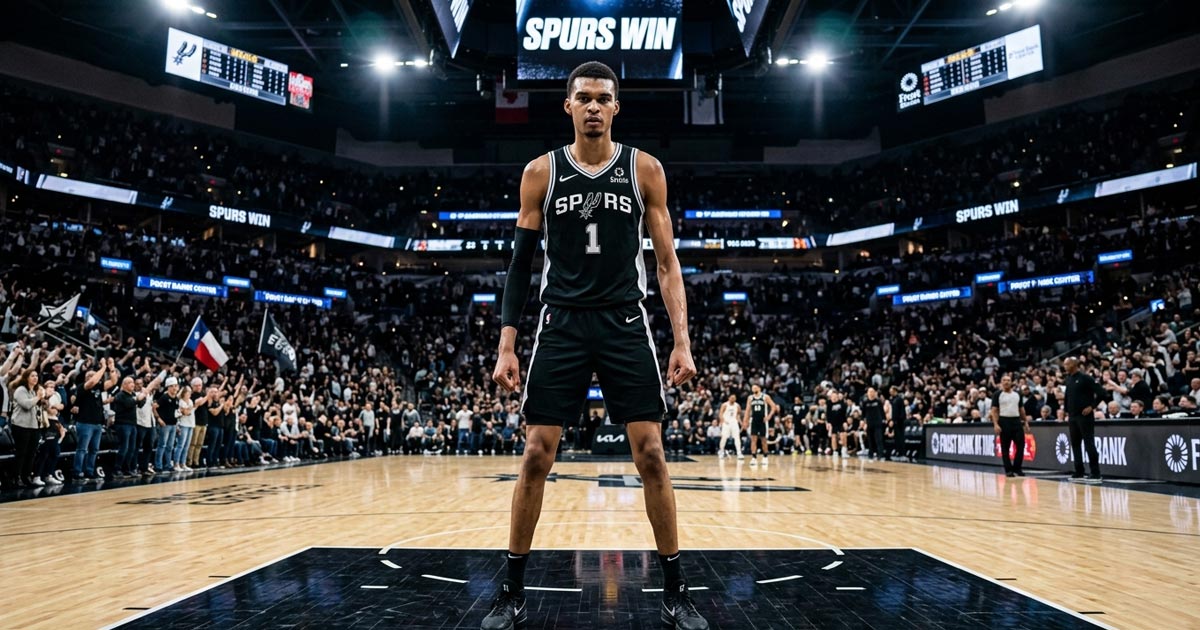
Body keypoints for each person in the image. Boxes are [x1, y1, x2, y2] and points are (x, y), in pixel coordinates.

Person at [484, 61, 707, 630]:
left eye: (602, 98)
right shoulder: (541, 172)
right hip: (561, 322)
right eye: (582, 97)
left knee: (652, 456)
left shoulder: (645, 170)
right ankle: (511, 590)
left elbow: (666, 263)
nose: (592, 106)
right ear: (567, 106)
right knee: (536, 454)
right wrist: (507, 344)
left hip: (624, 321)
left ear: (615, 107)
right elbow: (519, 265)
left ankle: (676, 591)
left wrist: (681, 340)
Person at [71, 358, 117, 481]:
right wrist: (102, 368)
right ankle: (77, 472)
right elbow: (92, 382)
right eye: (90, 375)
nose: (93, 376)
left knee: (94, 450)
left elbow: (113, 381)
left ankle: (89, 471)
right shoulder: (82, 387)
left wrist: (111, 367)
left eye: (93, 374)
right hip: (85, 423)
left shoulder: (99, 387)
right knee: (82, 449)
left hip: (97, 423)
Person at [1063, 357, 1106, 483]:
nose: (1064, 366)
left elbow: (1102, 393)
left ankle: (1095, 473)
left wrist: (1091, 406)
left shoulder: (1085, 378)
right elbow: (1067, 397)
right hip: (1072, 416)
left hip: (1084, 416)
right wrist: (1067, 411)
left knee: (1089, 443)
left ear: (1074, 364)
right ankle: (1079, 471)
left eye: (1067, 364)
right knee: (1075, 444)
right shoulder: (1069, 379)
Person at [8, 368, 46, 487]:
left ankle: (26, 476)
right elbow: (26, 405)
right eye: (32, 376)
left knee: (32, 453)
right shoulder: (20, 390)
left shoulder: (34, 391)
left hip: (34, 426)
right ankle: (16, 477)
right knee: (21, 452)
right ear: (26, 378)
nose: (35, 378)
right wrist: (38, 398)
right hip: (21, 425)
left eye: (36, 376)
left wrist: (42, 401)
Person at [990, 374, 1028, 477]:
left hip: (1016, 421)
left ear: (1011, 382)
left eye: (1008, 380)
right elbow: (994, 410)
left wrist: (1026, 422)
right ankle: (1008, 470)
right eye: (1004, 380)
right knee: (1005, 447)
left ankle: (1017, 468)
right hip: (1004, 420)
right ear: (1001, 382)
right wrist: (996, 424)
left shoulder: (1017, 394)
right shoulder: (997, 394)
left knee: (1021, 445)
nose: (1006, 382)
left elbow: (1021, 409)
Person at [743, 383, 778, 467]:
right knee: (753, 439)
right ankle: (754, 458)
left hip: (763, 421)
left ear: (759, 388)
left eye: (754, 387)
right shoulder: (750, 398)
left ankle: (765, 457)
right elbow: (748, 410)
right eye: (752, 388)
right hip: (754, 421)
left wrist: (769, 416)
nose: (753, 389)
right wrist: (745, 421)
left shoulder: (765, 397)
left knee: (763, 440)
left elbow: (774, 407)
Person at [860, 387, 887, 460]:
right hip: (869, 423)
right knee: (870, 439)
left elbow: (882, 412)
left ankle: (880, 454)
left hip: (877, 423)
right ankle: (870, 453)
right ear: (867, 393)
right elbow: (863, 413)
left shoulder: (878, 401)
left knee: (878, 439)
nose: (871, 393)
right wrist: (862, 420)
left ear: (874, 393)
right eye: (869, 392)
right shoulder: (865, 402)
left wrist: (884, 419)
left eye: (872, 392)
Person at [717, 394, 743, 460]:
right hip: (726, 423)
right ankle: (721, 452)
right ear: (729, 398)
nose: (733, 399)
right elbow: (720, 414)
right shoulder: (725, 405)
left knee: (737, 437)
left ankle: (739, 453)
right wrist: (723, 421)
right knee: (724, 438)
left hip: (734, 423)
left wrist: (739, 421)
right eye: (732, 397)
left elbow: (739, 413)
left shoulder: (737, 405)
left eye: (734, 398)